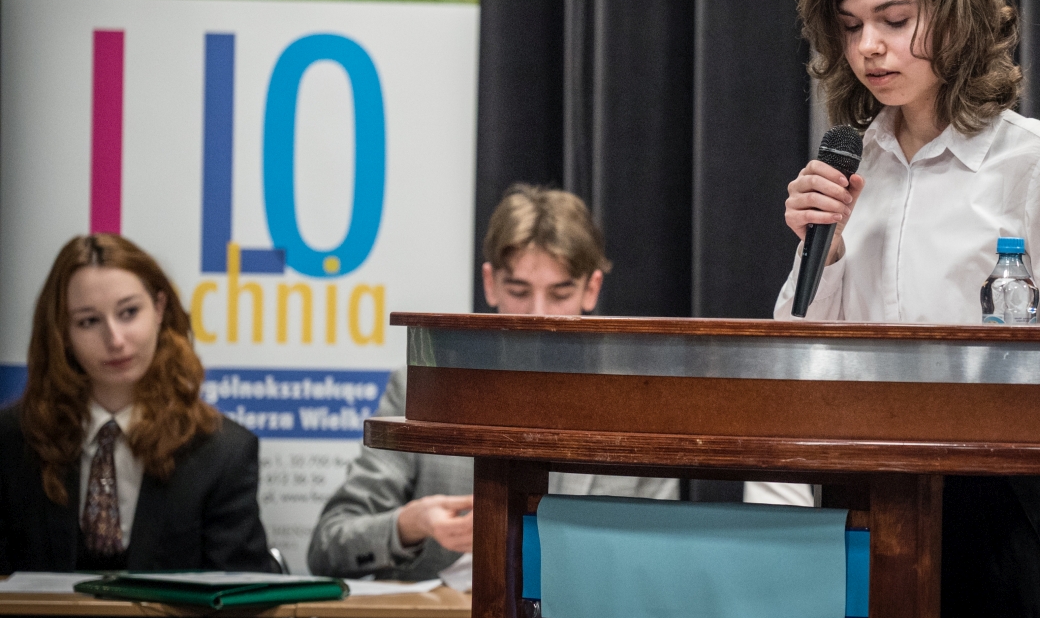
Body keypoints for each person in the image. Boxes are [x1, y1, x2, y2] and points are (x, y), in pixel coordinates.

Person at [776, 0, 1040, 616]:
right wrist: (830, 252)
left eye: (894, 19)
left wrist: (980, 412)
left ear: (958, 14)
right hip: (854, 506)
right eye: (850, 26)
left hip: (987, 514)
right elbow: (794, 360)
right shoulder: (850, 163)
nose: (868, 47)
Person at [308, 185, 678, 580]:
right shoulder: (422, 392)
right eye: (519, 291)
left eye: (560, 293)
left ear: (591, 289)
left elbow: (662, 565)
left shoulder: (640, 407)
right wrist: (409, 525)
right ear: (490, 283)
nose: (537, 314)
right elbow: (328, 546)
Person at [0, 234, 273, 572]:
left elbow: (240, 589)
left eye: (128, 312)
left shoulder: (222, 451)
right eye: (89, 321)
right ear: (62, 333)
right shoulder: (11, 440)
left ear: (159, 308)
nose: (115, 340)